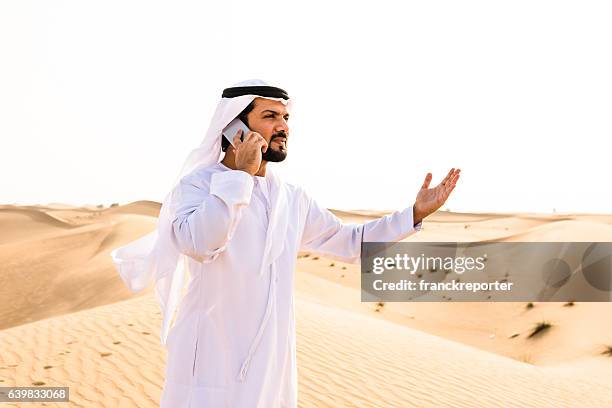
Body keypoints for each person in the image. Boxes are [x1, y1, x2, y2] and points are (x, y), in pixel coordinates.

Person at [111, 79, 460, 407]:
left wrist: (414, 213)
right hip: (209, 363)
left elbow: (350, 243)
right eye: (270, 116)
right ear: (235, 129)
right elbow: (201, 243)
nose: (284, 127)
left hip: (269, 368)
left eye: (285, 117)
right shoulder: (198, 185)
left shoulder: (291, 198)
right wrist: (240, 178)